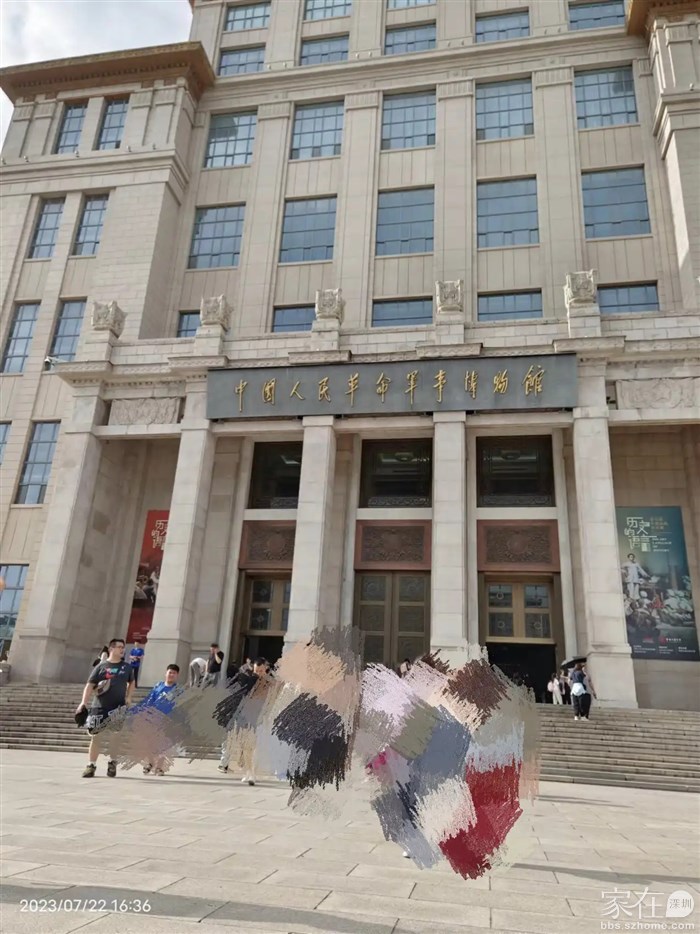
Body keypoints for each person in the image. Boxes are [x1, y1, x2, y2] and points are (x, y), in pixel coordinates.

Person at [76, 638, 135, 778]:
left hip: (118, 707)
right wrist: (83, 702)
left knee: (115, 736)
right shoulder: (100, 667)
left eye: (123, 647)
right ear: (111, 649)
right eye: (119, 647)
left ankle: (112, 762)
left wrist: (129, 697)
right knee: (96, 737)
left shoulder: (126, 667)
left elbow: (132, 682)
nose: (122, 650)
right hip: (99, 707)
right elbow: (90, 685)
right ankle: (91, 765)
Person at [217, 658, 267, 782]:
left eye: (261, 671)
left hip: (261, 717)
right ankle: (247, 771)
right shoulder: (248, 680)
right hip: (245, 717)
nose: (258, 673)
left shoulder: (269, 682)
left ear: (265, 669)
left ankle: (252, 771)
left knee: (256, 747)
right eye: (256, 671)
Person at [140, 664, 180, 775]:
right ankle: (150, 762)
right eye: (170, 672)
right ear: (166, 673)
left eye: (174, 673)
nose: (171, 675)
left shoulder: (178, 690)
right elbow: (150, 700)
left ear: (177, 675)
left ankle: (159, 767)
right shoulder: (158, 686)